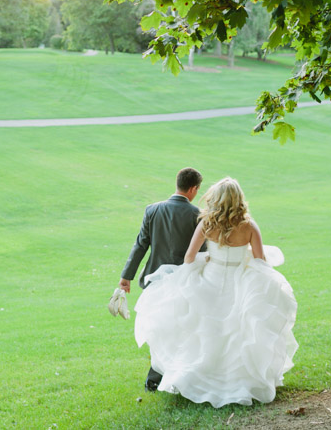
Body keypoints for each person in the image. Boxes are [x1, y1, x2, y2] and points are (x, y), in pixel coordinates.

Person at [133, 177, 298, 407]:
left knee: (206, 331)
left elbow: (189, 258)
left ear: (216, 198)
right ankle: (239, 381)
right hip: (239, 282)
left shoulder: (207, 224)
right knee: (237, 332)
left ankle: (201, 379)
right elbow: (260, 261)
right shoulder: (249, 226)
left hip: (210, 280)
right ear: (239, 199)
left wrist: (206, 259)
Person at [119, 167, 204, 392]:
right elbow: (202, 252)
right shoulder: (197, 215)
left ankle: (154, 378)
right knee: (183, 328)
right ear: (193, 189)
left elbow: (141, 245)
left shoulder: (152, 210)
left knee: (159, 328)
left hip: (155, 281)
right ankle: (174, 375)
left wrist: (126, 276)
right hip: (183, 280)